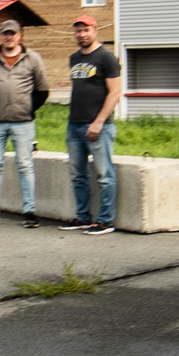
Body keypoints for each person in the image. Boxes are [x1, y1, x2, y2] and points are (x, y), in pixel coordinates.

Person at [0, 19, 49, 229]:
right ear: (1, 36)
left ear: (20, 35)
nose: (9, 37)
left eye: (12, 33)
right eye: (5, 33)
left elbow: (42, 90)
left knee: (25, 165)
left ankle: (30, 212)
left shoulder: (33, 58)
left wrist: (28, 108)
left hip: (22, 123)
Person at [65, 14, 122, 235]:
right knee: (78, 174)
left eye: (86, 30)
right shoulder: (73, 58)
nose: (81, 35)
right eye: (78, 31)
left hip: (100, 126)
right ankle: (83, 217)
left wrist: (98, 122)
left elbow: (115, 92)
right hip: (74, 125)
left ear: (95, 31)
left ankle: (106, 220)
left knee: (104, 174)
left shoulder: (106, 57)